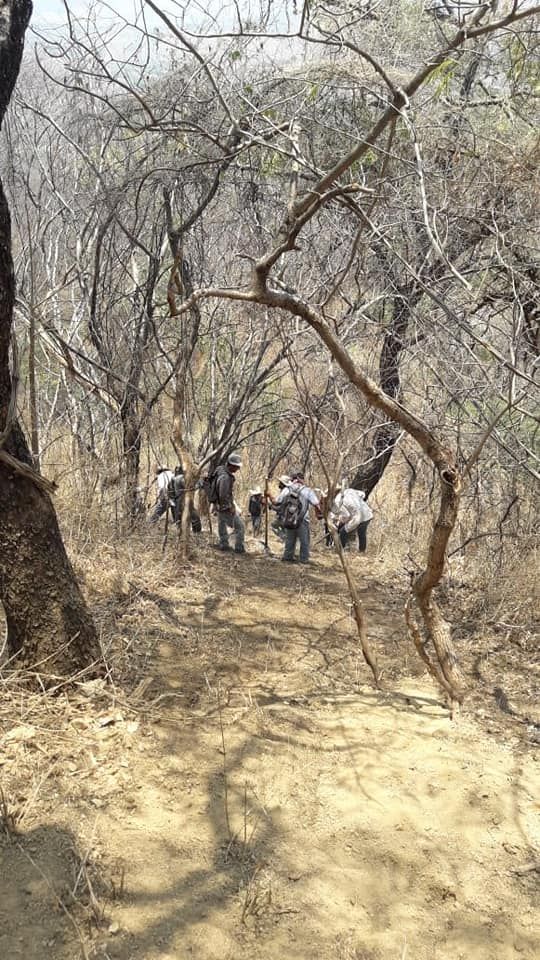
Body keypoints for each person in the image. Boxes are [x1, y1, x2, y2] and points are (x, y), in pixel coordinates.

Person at [280, 469, 321, 564]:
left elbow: (278, 501)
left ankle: (287, 557)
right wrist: (319, 514)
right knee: (304, 541)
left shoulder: (287, 489)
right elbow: (316, 504)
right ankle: (303, 559)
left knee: (289, 539)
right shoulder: (308, 491)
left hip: (289, 518)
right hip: (302, 520)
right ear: (302, 480)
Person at [215, 453, 245, 553]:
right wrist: (230, 506)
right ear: (231, 465)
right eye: (236, 467)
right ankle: (239, 548)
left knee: (222, 524)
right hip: (225, 506)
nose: (237, 469)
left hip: (219, 505)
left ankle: (224, 544)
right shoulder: (225, 477)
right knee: (240, 527)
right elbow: (223, 494)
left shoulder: (220, 471)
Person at [330, 484, 373, 552]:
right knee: (362, 533)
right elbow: (362, 494)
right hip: (366, 513)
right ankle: (362, 551)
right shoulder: (349, 491)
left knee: (343, 532)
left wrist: (341, 521)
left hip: (357, 517)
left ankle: (339, 550)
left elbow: (347, 515)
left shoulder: (338, 500)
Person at [171, 466, 202, 533]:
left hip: (178, 499)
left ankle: (180, 531)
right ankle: (196, 532)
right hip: (183, 499)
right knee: (195, 517)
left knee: (179, 517)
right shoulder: (181, 478)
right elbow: (189, 487)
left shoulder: (175, 478)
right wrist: (198, 485)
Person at [267, 475, 290, 541]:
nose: (279, 484)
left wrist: (269, 495)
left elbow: (276, 502)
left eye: (280, 482)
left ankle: (284, 538)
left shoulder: (285, 491)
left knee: (273, 526)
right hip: (285, 515)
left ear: (283, 483)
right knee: (283, 529)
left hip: (284, 515)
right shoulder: (285, 491)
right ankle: (285, 540)